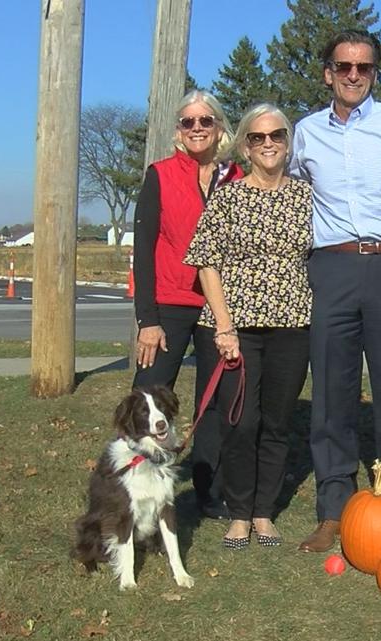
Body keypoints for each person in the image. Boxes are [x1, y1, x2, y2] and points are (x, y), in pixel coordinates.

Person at [289, 29, 381, 553]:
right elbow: (290, 188)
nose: (354, 76)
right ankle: (334, 508)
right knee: (332, 396)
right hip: (334, 268)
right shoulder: (305, 132)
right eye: (344, 67)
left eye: (364, 68)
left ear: (375, 73)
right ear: (328, 73)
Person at [184, 103, 313, 549]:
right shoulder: (229, 197)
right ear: (243, 145)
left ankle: (264, 512)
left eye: (276, 135)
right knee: (240, 422)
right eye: (257, 138)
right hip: (235, 327)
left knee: (277, 423)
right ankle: (238, 513)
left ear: (287, 141)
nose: (268, 144)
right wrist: (224, 327)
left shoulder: (307, 196)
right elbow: (207, 263)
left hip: (293, 324)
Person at [132, 90, 243, 520]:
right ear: (178, 131)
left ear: (219, 128)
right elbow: (143, 250)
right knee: (150, 396)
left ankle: (208, 492)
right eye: (188, 122)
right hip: (169, 303)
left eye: (205, 121)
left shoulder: (235, 178)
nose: (197, 128)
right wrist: (148, 319)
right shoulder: (160, 175)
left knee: (213, 403)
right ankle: (139, 487)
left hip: (218, 305)